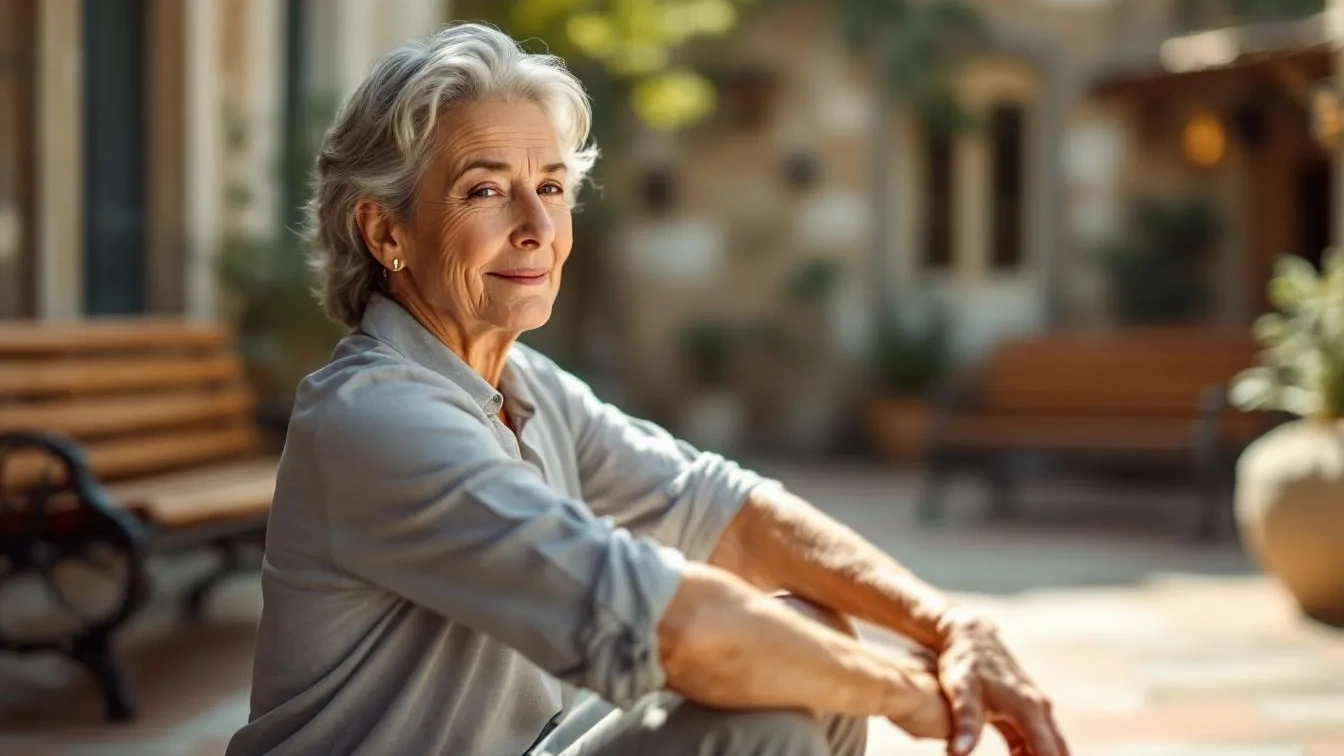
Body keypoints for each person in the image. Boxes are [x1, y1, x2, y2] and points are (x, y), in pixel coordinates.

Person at [225, 22, 1069, 756]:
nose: (537, 226)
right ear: (386, 231)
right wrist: (917, 696)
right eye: (485, 189)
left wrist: (955, 628)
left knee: (806, 646)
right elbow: (677, 626)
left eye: (551, 186)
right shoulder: (377, 417)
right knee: (765, 726)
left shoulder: (521, 386)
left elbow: (727, 513)